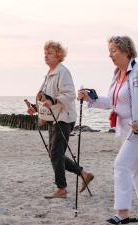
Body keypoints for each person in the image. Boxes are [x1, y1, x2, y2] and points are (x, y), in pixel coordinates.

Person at [78, 35, 138, 225]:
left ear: (126, 51)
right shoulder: (117, 75)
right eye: (109, 52)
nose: (110, 55)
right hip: (126, 129)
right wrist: (89, 99)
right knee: (137, 169)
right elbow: (112, 102)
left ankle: (122, 213)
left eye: (113, 51)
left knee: (120, 165)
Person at [26, 40, 94, 199]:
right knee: (55, 154)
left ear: (58, 55)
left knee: (55, 154)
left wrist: (55, 101)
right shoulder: (49, 75)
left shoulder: (63, 72)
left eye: (49, 53)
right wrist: (35, 108)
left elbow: (70, 94)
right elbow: (44, 98)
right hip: (53, 118)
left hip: (64, 118)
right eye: (45, 53)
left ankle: (61, 189)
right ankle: (84, 174)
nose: (46, 56)